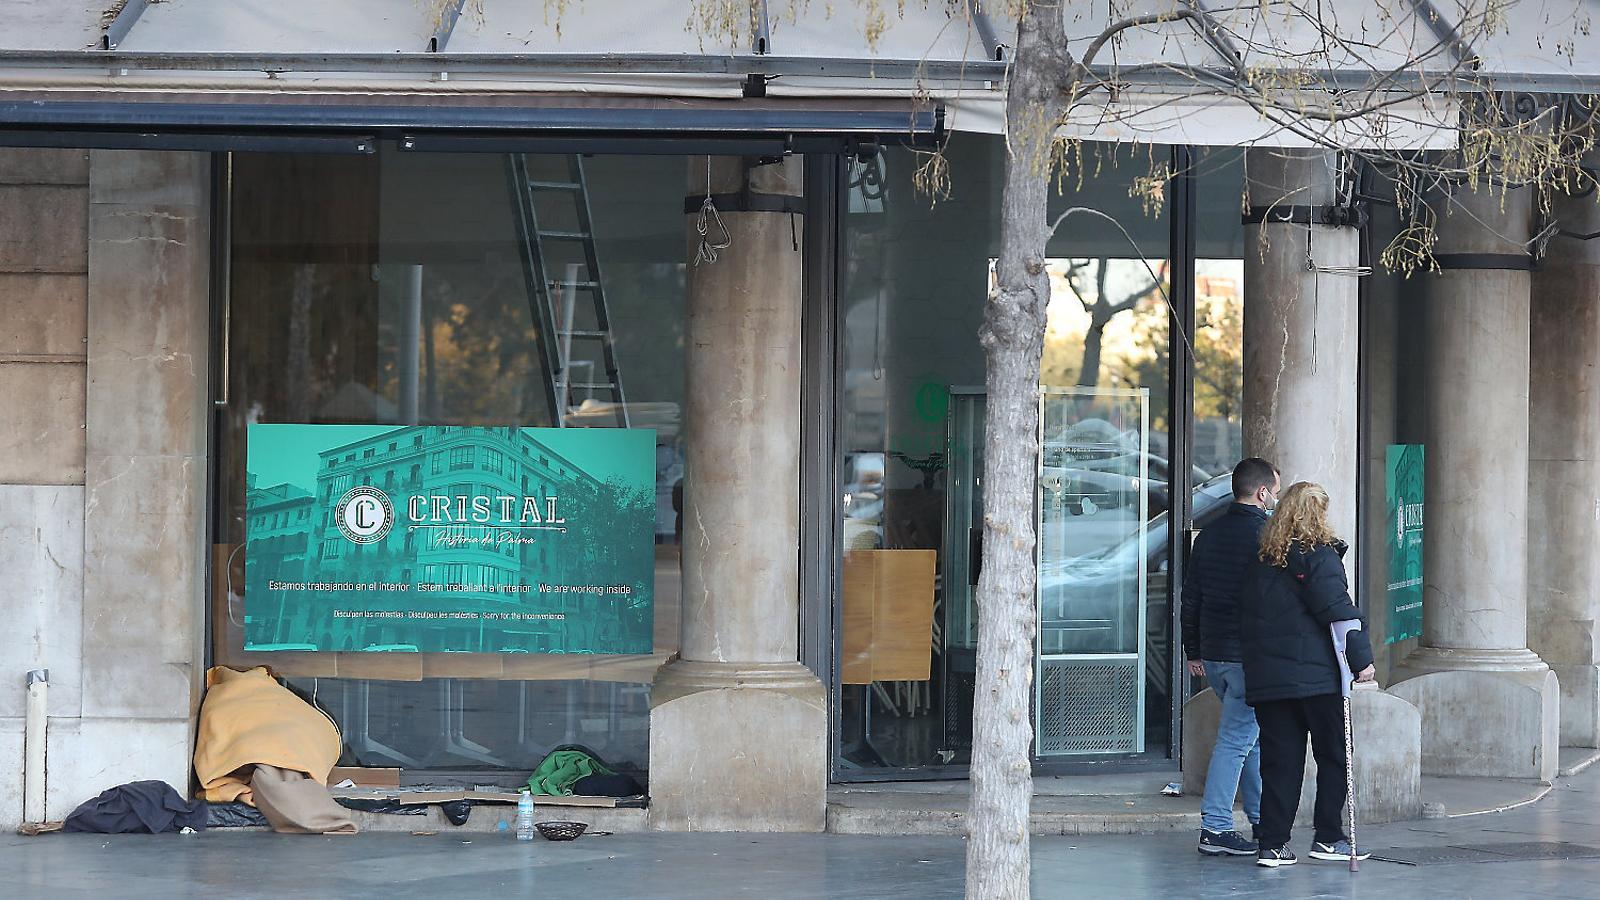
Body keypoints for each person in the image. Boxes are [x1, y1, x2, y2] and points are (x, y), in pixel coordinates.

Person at [1238, 482, 1376, 868]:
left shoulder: (1261, 562)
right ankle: (1328, 836)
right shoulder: (1320, 557)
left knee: (1281, 761)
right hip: (1317, 679)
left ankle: (1272, 843)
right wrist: (1362, 662)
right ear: (1319, 515)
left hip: (1270, 680)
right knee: (1334, 755)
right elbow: (1340, 613)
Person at [1181, 457, 1279, 856]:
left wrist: (1194, 650)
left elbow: (1192, 598)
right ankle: (1216, 827)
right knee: (1237, 740)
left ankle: (1259, 818)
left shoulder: (1209, 535)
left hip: (1215, 657)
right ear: (1261, 493)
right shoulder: (1266, 538)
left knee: (1250, 738)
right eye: (1275, 490)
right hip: (1248, 656)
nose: (1276, 498)